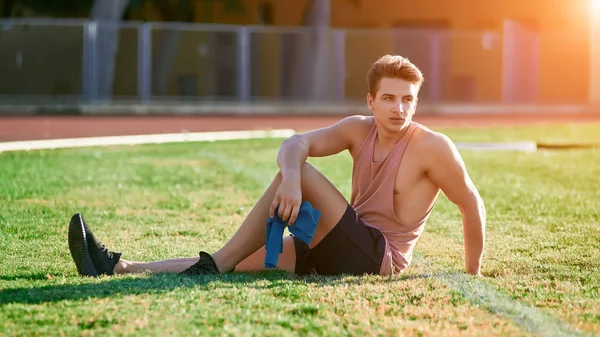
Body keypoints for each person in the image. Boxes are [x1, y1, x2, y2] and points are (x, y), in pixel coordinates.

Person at [68, 54, 486, 278]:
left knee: (298, 177)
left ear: (417, 100)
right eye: (390, 98)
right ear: (371, 101)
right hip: (335, 246)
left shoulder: (433, 146)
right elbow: (296, 143)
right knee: (242, 258)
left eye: (408, 99)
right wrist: (289, 179)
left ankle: (222, 262)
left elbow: (471, 203)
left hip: (379, 258)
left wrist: (473, 275)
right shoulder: (359, 130)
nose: (399, 108)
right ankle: (118, 266)